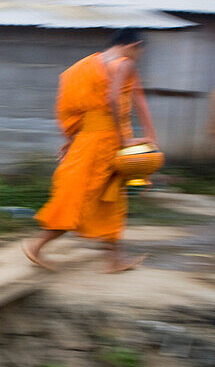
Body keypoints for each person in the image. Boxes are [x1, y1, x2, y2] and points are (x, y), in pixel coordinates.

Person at [24, 28, 158, 273]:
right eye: (140, 52)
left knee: (107, 199)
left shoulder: (85, 66)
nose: (139, 57)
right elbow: (114, 100)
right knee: (85, 199)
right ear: (134, 45)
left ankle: (114, 259)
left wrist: (71, 139)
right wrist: (123, 138)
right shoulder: (124, 64)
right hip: (105, 143)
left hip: (86, 140)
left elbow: (76, 110)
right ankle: (37, 246)